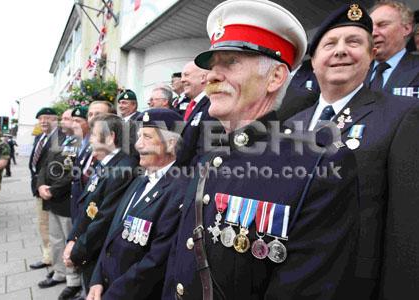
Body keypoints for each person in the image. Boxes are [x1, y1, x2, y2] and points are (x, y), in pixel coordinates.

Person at [163, 1, 360, 299]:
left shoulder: (319, 164)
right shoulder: (209, 158)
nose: (212, 77)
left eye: (230, 63)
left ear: (276, 78)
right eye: (212, 66)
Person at [286, 3, 419, 299]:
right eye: (330, 43)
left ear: (371, 55)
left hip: (354, 284)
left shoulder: (401, 115)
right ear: (315, 59)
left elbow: (405, 228)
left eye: (354, 42)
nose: (341, 50)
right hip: (288, 279)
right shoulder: (291, 125)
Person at [87, 109, 185, 300]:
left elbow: (155, 262)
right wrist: (97, 278)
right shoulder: (140, 179)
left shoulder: (179, 192)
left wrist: (111, 295)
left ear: (170, 144)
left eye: (147, 137)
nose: (138, 144)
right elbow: (113, 233)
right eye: (139, 136)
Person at [63, 113, 138, 293]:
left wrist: (77, 251)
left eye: (95, 135)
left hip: (98, 254)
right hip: (87, 248)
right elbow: (87, 207)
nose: (90, 140)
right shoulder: (104, 163)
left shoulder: (123, 169)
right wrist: (72, 239)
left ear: (110, 137)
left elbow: (103, 220)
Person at [36, 108, 82, 298]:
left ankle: (73, 280)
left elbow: (73, 172)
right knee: (55, 239)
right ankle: (59, 272)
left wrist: (53, 190)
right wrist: (40, 186)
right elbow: (45, 165)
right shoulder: (59, 139)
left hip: (64, 200)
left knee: (67, 241)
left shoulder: (81, 142)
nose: (64, 122)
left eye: (68, 118)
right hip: (50, 198)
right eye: (62, 118)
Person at [29, 107, 61, 269]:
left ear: (56, 120)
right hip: (38, 187)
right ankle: (48, 256)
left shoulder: (61, 138)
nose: (43, 121)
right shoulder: (39, 138)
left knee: (53, 227)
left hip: (51, 189)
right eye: (41, 118)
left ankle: (55, 260)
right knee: (43, 224)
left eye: (47, 118)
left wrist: (49, 187)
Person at [365, 0, 419, 96]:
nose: (373, 33)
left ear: (406, 29)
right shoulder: (356, 70)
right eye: (370, 28)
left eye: (382, 25)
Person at [177, 61, 217, 166]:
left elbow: (205, 153)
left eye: (186, 75)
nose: (182, 80)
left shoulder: (212, 105)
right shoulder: (192, 105)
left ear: (203, 78)